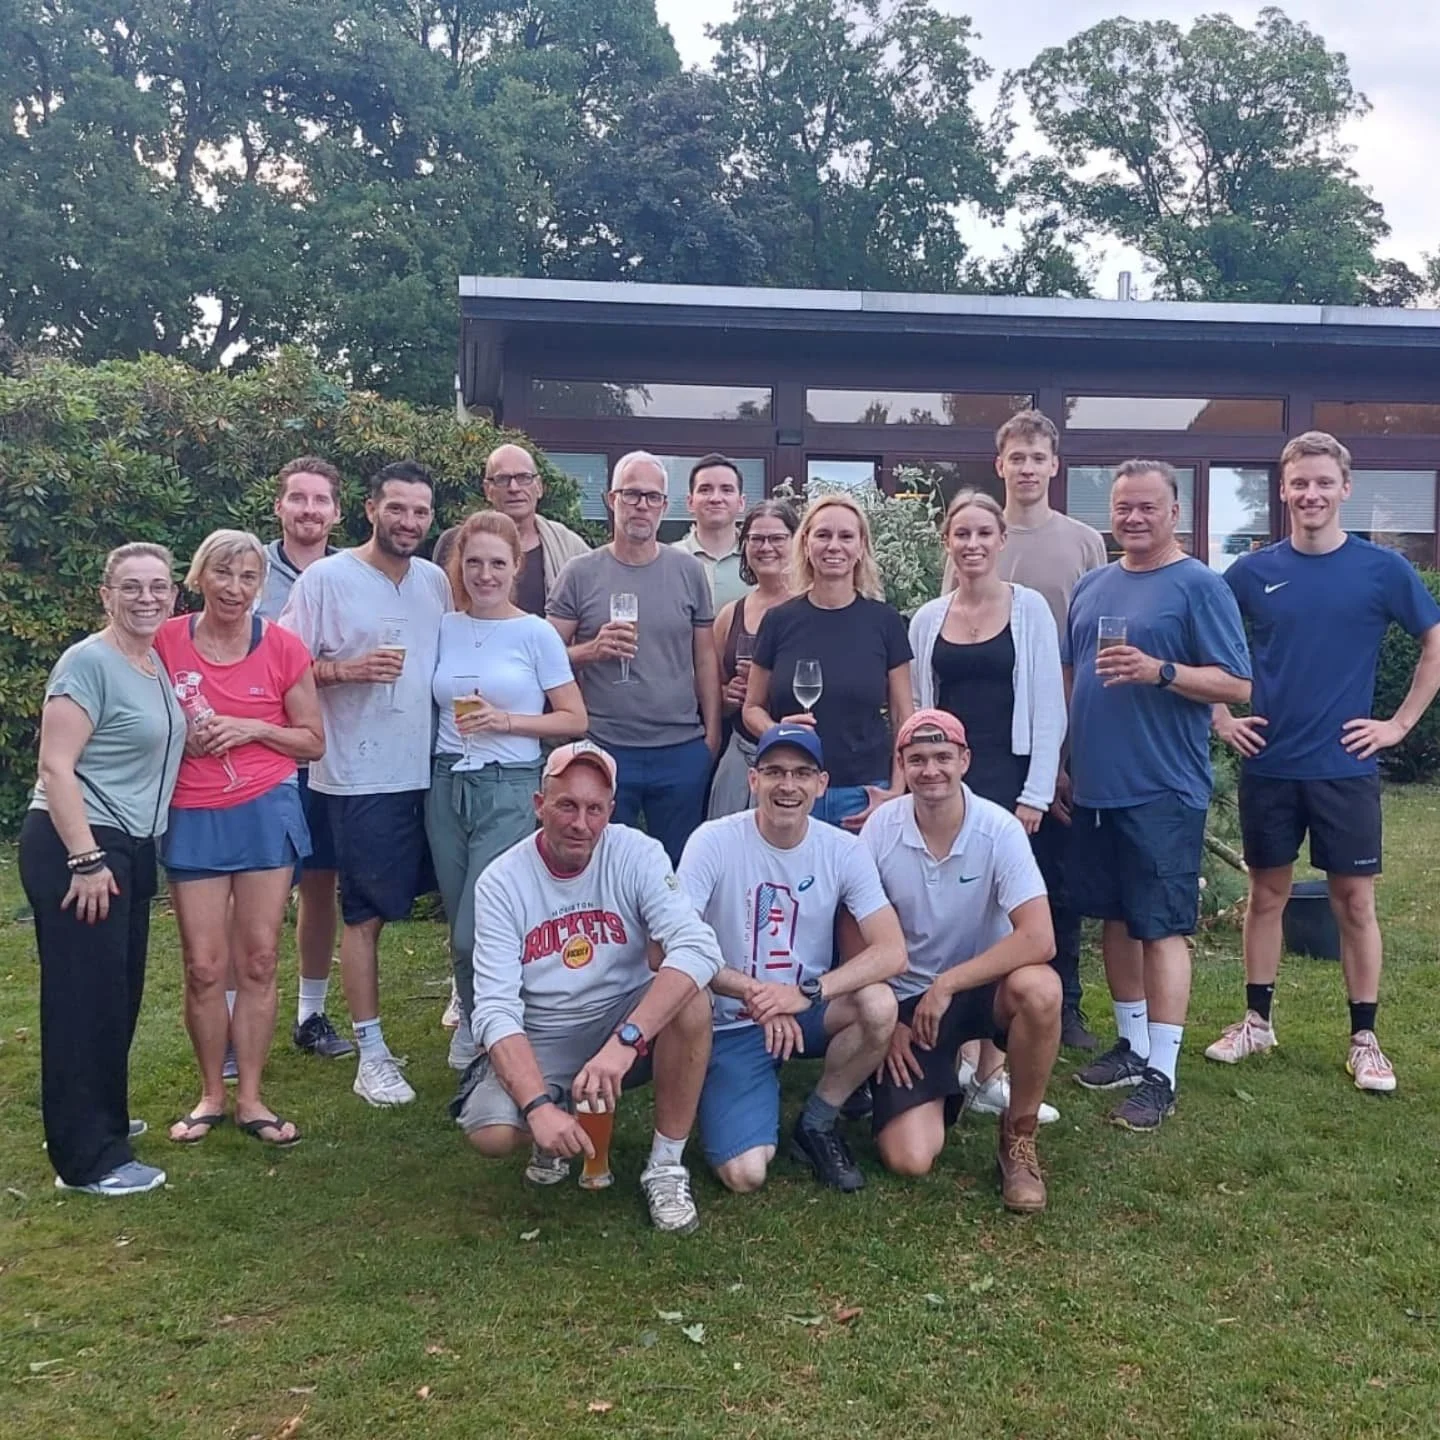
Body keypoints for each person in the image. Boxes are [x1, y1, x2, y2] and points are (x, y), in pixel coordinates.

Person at [1208, 431, 1440, 1091]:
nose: (1310, 494)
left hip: (1344, 767)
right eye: (1298, 483)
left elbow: (1433, 641)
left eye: (1322, 483)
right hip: (1272, 764)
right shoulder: (1251, 573)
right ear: (1282, 491)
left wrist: (1398, 724)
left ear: (1345, 488)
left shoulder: (1382, 570)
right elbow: (1208, 645)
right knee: (1267, 895)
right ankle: (1257, 1022)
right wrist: (1221, 716)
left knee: (1354, 903)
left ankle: (1365, 1039)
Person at [456, 741, 723, 1235]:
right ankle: (552, 1116)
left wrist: (626, 1042)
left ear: (611, 812)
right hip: (543, 1031)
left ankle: (665, 1165)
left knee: (694, 1003)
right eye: (567, 805)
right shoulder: (500, 881)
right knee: (491, 1133)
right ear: (539, 806)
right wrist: (535, 1107)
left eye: (594, 808)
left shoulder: (638, 853)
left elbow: (699, 948)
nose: (581, 823)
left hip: (619, 1018)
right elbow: (493, 1008)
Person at [1065, 461, 1251, 1131]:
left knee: (1162, 925)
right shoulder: (1092, 585)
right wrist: (1064, 760)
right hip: (1094, 786)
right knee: (1115, 918)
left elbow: (1236, 684)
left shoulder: (1199, 585)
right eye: (1123, 508)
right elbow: (1071, 676)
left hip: (1163, 785)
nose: (1134, 518)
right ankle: (1131, 1042)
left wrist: (1160, 671)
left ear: (1174, 512)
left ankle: (1163, 1072)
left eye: (1148, 507)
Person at [279, 460, 451, 1107]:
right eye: (397, 508)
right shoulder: (328, 579)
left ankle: (468, 1032)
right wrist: (347, 671)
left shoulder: (435, 580)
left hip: (427, 771)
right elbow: (285, 670)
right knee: (366, 915)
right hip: (357, 776)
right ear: (371, 507)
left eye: (420, 512)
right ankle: (371, 1054)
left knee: (449, 901)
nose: (408, 522)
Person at [20, 543, 185, 1196]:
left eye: (160, 587)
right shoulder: (87, 662)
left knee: (116, 996)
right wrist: (84, 859)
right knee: (82, 1000)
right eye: (132, 587)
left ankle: (97, 1117)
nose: (148, 598)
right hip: (80, 844)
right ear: (105, 595)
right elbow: (56, 766)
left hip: (130, 845)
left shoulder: (148, 663)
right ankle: (87, 1162)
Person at [679, 723, 904, 1193]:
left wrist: (805, 994)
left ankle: (818, 1120)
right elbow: (675, 944)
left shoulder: (842, 849)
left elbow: (892, 951)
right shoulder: (712, 841)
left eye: (802, 773)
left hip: (808, 1008)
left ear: (821, 784)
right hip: (734, 1019)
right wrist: (759, 995)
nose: (787, 785)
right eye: (775, 772)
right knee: (745, 1174)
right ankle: (726, 1092)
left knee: (879, 1004)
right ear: (753, 779)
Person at [943, 410, 1108, 1050]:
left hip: (1056, 738)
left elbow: (1081, 651)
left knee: (1052, 882)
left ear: (1055, 466)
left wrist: (1057, 761)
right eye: (1018, 458)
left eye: (1040, 458)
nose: (1029, 468)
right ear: (1000, 463)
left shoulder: (1083, 541)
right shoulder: (974, 538)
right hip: (986, 742)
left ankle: (1062, 1004)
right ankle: (982, 1004)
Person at [155, 531, 324, 1147]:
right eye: (223, 574)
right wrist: (181, 738)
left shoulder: (282, 647)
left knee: (256, 958)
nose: (234, 588)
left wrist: (252, 727)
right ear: (200, 577)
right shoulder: (166, 642)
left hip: (264, 808)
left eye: (248, 577)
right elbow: (141, 716)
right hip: (194, 810)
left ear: (261, 584)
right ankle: (210, 1094)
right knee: (204, 965)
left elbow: (313, 740)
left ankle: (251, 1097)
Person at [862, 710, 1061, 1211]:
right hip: (906, 999)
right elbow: (851, 930)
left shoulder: (999, 829)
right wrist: (882, 1022)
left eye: (943, 757)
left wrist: (948, 983)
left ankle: (1019, 1137)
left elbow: (1039, 937)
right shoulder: (880, 829)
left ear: (965, 760)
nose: (931, 770)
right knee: (910, 1159)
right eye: (918, 759)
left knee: (1041, 989)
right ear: (902, 765)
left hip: (980, 987)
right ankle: (937, 1078)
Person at [909, 488, 1065, 1120]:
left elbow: (1050, 710)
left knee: (1002, 920)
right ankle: (962, 1060)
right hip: (946, 779)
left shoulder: (1028, 610)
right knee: (954, 910)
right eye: (960, 534)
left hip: (1010, 779)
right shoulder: (926, 619)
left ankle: (991, 1071)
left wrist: (1036, 793)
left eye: (983, 533)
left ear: (1001, 542)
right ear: (948, 542)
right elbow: (918, 710)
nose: (972, 544)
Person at [427, 511, 588, 1072]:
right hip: (447, 783)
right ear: (459, 566)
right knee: (457, 917)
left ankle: (499, 1026)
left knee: (479, 927)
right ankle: (479, 1024)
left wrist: (507, 722)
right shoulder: (443, 626)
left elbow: (573, 719)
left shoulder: (535, 632)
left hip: (508, 786)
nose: (485, 574)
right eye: (474, 562)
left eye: (498, 563)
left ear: (516, 567)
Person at [547, 451, 721, 865]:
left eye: (652, 497)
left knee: (680, 869)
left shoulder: (688, 571)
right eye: (632, 495)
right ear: (612, 499)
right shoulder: (580, 572)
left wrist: (710, 738)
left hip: (680, 748)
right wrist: (590, 650)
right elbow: (545, 658)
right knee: (606, 865)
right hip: (606, 746)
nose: (642, 505)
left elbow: (705, 659)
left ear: (666, 505)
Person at [253, 456, 352, 1061]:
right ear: (280, 507)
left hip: (331, 753)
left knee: (320, 885)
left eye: (321, 501)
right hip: (265, 756)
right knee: (254, 892)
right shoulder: (248, 570)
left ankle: (309, 1016)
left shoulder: (350, 574)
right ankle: (237, 1020)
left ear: (338, 512)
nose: (309, 510)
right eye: (299, 499)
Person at [742, 492, 913, 831]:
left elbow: (903, 716)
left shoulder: (885, 622)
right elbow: (751, 709)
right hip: (793, 790)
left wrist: (896, 790)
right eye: (823, 535)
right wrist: (776, 731)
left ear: (861, 546)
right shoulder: (779, 621)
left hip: (863, 793)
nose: (834, 546)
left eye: (846, 536)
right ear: (805, 544)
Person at [707, 500, 800, 818]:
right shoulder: (730, 615)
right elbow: (709, 694)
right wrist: (728, 697)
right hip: (741, 755)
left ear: (797, 541)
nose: (766, 547)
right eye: (757, 539)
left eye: (777, 538)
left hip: (797, 760)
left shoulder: (814, 608)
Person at [478, 442, 590, 616]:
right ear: (488, 490)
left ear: (538, 487)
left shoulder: (570, 547)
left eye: (524, 478)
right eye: (503, 479)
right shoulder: (462, 545)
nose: (514, 488)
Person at [672, 454, 749, 609]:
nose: (715, 498)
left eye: (726, 490)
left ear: (741, 503)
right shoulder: (670, 560)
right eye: (705, 490)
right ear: (690, 502)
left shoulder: (758, 558)